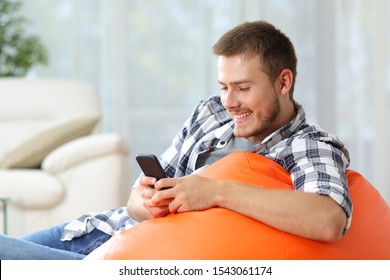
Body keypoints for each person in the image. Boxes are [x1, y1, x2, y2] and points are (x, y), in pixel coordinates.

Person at [0, 20, 352, 260]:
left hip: (136, 260)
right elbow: (138, 197)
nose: (229, 102)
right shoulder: (212, 113)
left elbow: (328, 219)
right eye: (224, 87)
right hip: (101, 231)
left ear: (284, 82)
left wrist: (214, 191)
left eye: (243, 88)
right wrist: (148, 201)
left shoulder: (308, 144)